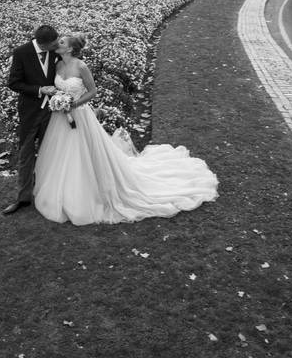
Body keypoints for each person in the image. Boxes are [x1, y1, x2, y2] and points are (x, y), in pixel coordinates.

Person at [34, 33, 218, 225]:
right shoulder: (58, 64)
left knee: (83, 154)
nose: (57, 43)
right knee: (62, 153)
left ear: (70, 49)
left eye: (62, 42)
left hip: (79, 115)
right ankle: (62, 191)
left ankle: (87, 194)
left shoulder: (81, 66)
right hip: (60, 118)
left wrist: (74, 104)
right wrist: (58, 99)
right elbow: (59, 87)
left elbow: (93, 91)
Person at [3, 25, 60, 215]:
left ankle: (49, 194)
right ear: (43, 44)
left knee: (50, 154)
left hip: (53, 113)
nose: (56, 45)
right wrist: (39, 90)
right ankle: (23, 198)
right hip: (29, 113)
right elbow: (14, 82)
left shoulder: (55, 51)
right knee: (26, 155)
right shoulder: (22, 52)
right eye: (53, 43)